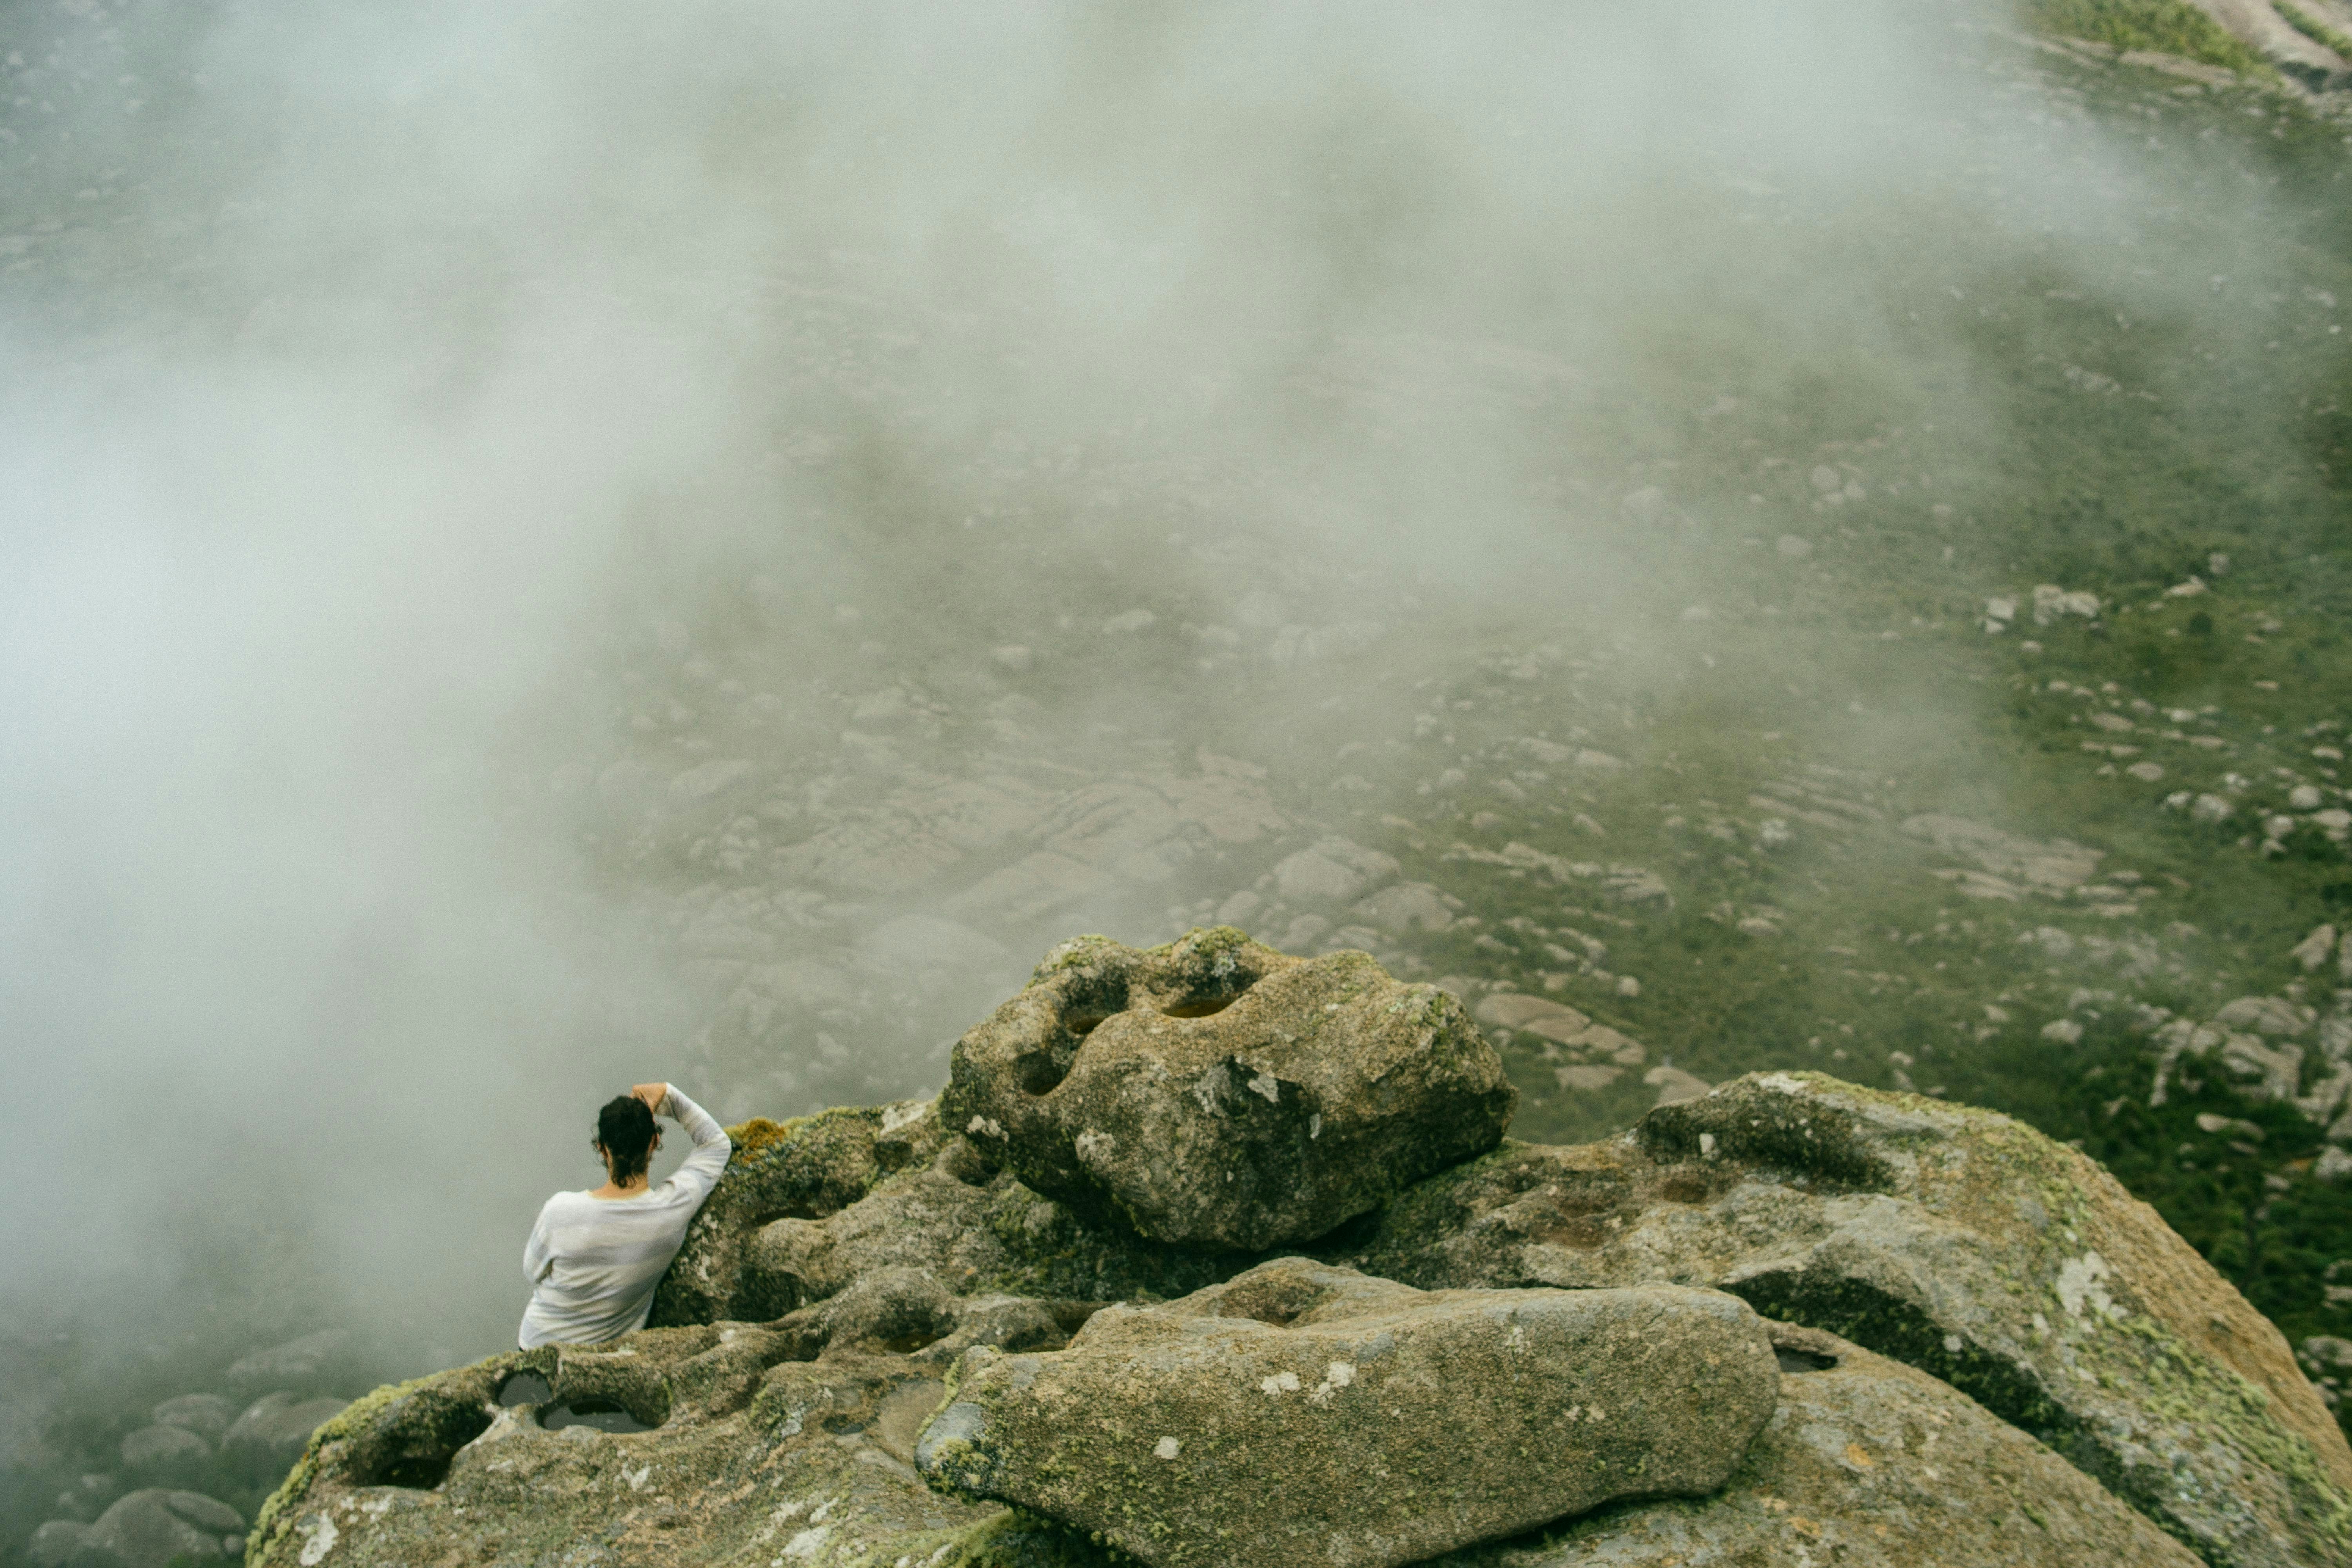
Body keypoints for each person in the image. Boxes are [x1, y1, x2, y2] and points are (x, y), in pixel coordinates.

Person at [518, 1081, 733, 1349]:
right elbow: (717, 1144)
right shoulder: (673, 1210)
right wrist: (669, 1095)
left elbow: (532, 1272)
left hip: (536, 1347)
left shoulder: (559, 1212)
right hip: (604, 1357)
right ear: (654, 1142)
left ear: (603, 1149)